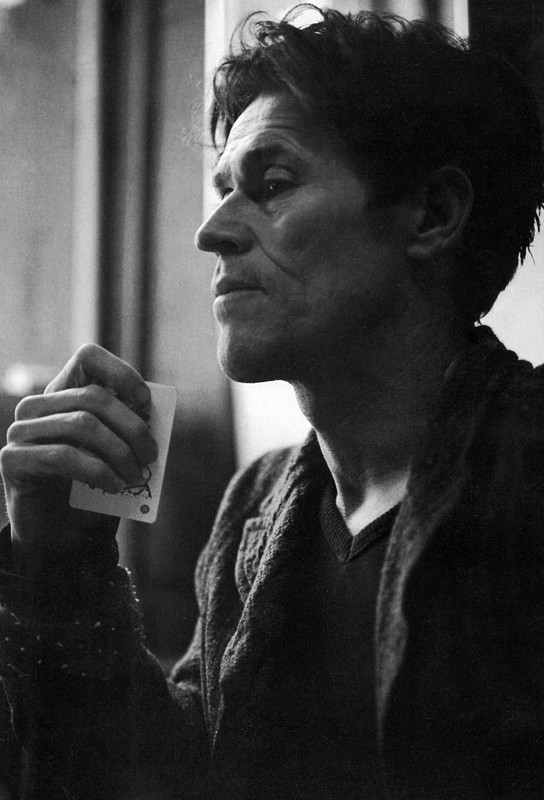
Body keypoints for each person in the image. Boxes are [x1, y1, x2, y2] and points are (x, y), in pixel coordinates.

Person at [1, 6, 544, 799]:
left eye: (273, 185)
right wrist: (59, 566)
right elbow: (173, 782)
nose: (210, 232)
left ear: (431, 214)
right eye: (223, 189)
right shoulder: (256, 506)